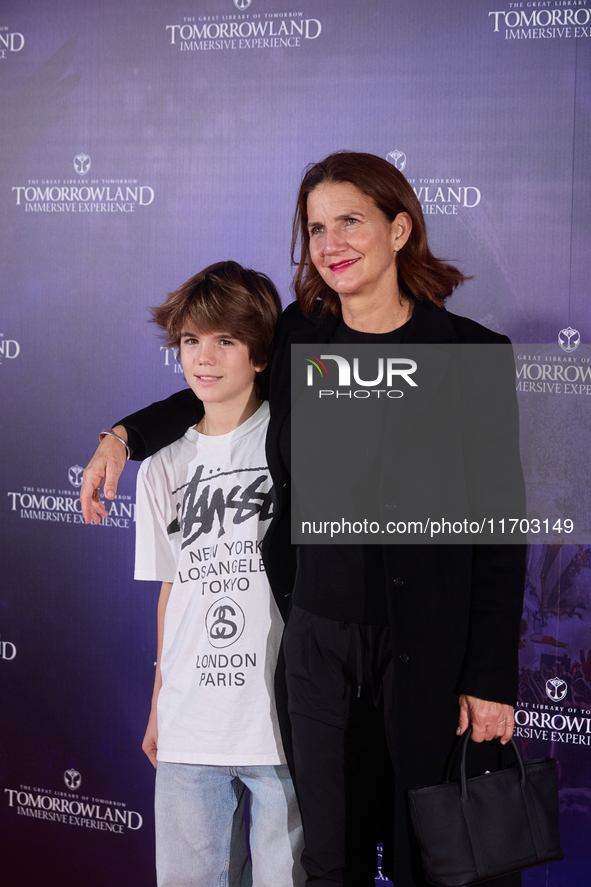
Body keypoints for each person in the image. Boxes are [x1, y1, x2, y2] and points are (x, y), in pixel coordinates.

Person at [81, 153, 526, 887]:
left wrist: (490, 678)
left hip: (428, 651)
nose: (329, 242)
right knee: (325, 859)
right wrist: (122, 437)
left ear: (399, 228)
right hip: (316, 650)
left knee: (435, 859)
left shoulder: (471, 354)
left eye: (349, 220)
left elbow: (499, 532)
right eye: (316, 227)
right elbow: (212, 388)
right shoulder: (297, 333)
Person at [124, 261, 304, 887]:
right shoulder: (160, 467)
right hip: (189, 723)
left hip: (280, 721)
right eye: (191, 341)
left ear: (259, 354)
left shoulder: (292, 440)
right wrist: (157, 708)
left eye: (226, 340)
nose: (204, 358)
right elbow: (171, 593)